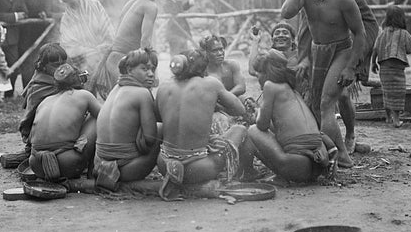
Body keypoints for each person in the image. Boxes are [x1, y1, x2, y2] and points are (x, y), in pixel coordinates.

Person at [281, 0, 366, 169]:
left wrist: (350, 68)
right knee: (316, 106)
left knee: (326, 103)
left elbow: (360, 34)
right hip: (317, 51)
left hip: (341, 51)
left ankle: (344, 156)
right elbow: (286, 12)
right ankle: (328, 150)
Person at [155, 49, 250, 200]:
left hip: (164, 164)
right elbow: (240, 109)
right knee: (240, 129)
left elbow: (159, 117)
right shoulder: (211, 83)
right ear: (204, 67)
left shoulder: (164, 86)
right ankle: (245, 175)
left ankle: (175, 176)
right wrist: (214, 102)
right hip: (198, 168)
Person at [247, 49, 335, 183]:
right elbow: (280, 129)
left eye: (258, 73)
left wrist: (257, 113)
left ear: (266, 72)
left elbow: (262, 126)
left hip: (296, 167)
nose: (257, 77)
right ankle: (283, 175)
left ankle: (278, 176)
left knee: (252, 130)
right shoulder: (292, 90)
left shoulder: (270, 86)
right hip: (315, 168)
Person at [94, 48, 161, 191]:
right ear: (129, 70)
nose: (150, 74)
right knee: (160, 129)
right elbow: (150, 138)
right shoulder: (142, 93)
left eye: (152, 69)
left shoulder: (115, 90)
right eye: (144, 69)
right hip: (125, 170)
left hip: (99, 166)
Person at [332, 0, 380, 153]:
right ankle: (328, 140)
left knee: (342, 94)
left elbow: (370, 24)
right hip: (327, 48)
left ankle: (350, 134)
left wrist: (357, 55)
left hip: (350, 47)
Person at [29, 64, 102, 182]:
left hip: (36, 164)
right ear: (79, 79)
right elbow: (105, 117)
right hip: (67, 163)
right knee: (95, 118)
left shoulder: (46, 100)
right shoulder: (84, 95)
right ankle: (92, 174)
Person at [101, 0, 163, 91]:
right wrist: (152, 72)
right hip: (126, 62)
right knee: (139, 95)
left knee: (120, 99)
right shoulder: (150, 6)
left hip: (114, 59)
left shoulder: (131, 2)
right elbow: (145, 42)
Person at [57, 0, 115, 96]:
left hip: (104, 55)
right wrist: (90, 52)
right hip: (83, 62)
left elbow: (108, 29)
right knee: (89, 96)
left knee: (111, 95)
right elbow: (69, 45)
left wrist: (104, 46)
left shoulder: (95, 5)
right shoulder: (66, 19)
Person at [370, 6, 411, 127]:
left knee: (387, 92)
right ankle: (396, 120)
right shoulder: (403, 33)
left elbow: (375, 48)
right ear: (402, 19)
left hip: (384, 68)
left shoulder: (383, 33)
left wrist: (373, 63)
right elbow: (409, 50)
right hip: (397, 69)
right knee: (398, 93)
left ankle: (388, 117)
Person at [19, 42, 67, 153]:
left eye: (63, 63)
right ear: (43, 66)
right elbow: (29, 116)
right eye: (55, 65)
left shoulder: (63, 78)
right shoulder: (38, 87)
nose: (61, 68)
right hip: (42, 133)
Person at [18, 0, 55, 88]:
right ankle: (26, 87)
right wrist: (36, 13)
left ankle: (37, 86)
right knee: (27, 60)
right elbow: (22, 9)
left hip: (40, 32)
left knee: (39, 59)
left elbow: (47, 7)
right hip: (25, 32)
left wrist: (45, 13)